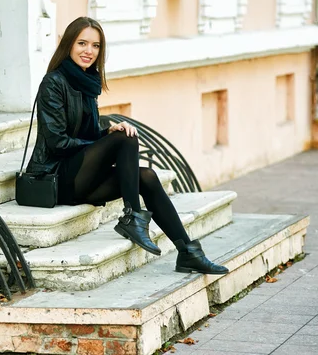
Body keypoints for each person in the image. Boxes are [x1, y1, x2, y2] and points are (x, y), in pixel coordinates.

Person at [25, 16, 228, 275]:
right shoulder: (54, 82)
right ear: (69, 45)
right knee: (125, 138)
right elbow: (57, 142)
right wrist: (107, 141)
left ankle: (188, 252)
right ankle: (133, 216)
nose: (89, 51)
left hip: (80, 175)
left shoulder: (87, 81)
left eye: (96, 46)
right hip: (57, 177)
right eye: (82, 43)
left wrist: (106, 131)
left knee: (147, 175)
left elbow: (84, 131)